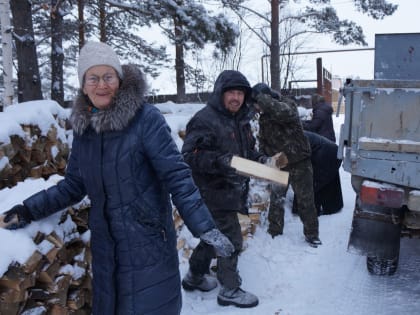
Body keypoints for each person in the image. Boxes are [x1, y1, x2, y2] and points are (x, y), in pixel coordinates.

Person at [0, 41, 234, 315]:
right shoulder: (85, 129)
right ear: (84, 85)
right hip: (106, 249)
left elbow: (177, 175)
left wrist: (204, 227)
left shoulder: (146, 119)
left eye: (108, 77)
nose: (102, 85)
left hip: (148, 246)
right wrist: (28, 210)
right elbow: (74, 185)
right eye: (93, 78)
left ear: (120, 80)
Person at [181, 70, 283, 308]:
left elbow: (246, 152)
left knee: (211, 238)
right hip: (212, 191)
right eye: (232, 93)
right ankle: (229, 289)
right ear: (220, 93)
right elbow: (189, 156)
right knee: (231, 240)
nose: (236, 98)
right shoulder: (204, 119)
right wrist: (221, 161)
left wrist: (261, 161)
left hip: (232, 190)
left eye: (240, 93)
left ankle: (194, 277)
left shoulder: (240, 120)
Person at [251, 83, 322, 247]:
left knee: (306, 199)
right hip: (279, 164)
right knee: (276, 199)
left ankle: (311, 233)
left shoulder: (287, 104)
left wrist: (261, 99)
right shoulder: (264, 118)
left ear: (266, 98)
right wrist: (264, 157)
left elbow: (284, 113)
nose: (257, 108)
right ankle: (275, 231)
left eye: (258, 104)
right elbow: (263, 140)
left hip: (299, 161)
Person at [304, 130, 343, 215]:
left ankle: (312, 211)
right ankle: (332, 207)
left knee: (315, 181)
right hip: (331, 151)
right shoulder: (294, 134)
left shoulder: (293, 140)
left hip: (327, 154)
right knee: (328, 181)